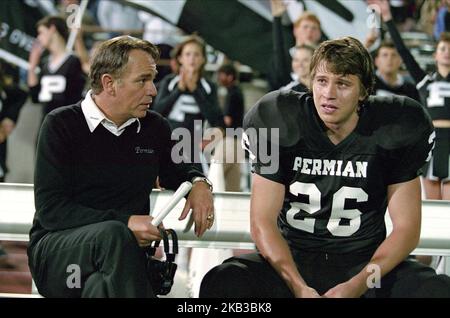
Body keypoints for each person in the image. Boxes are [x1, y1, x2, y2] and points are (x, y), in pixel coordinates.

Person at [200, 36, 450, 298]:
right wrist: (298, 287)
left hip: (365, 267)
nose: (329, 93)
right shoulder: (279, 118)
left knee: (435, 291)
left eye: (342, 83)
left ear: (364, 91)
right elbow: (262, 221)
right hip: (292, 261)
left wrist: (358, 285)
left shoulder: (395, 127)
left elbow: (407, 229)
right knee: (224, 283)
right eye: (322, 81)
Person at [27, 35, 215, 298]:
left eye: (152, 78)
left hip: (121, 260)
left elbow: (181, 169)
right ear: (109, 83)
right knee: (114, 235)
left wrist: (199, 183)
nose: (153, 90)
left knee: (100, 289)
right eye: (143, 80)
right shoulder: (61, 124)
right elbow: (52, 211)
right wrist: (125, 222)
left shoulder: (154, 127)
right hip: (59, 256)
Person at [370, 0, 450, 270]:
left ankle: (444, 267)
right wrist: (388, 19)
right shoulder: (425, 81)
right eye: (442, 49)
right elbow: (403, 51)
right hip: (433, 145)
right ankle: (428, 268)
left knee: (448, 212)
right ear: (436, 54)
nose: (447, 53)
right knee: (430, 210)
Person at [153, 35, 224, 172]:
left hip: (195, 147)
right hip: (168, 143)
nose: (192, 59)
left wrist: (195, 91)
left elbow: (216, 120)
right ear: (180, 58)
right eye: (188, 54)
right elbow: (157, 111)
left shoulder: (209, 86)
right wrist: (178, 90)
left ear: (203, 59)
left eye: (196, 54)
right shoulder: (169, 82)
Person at [28, 16, 85, 121]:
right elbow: (35, 97)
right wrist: (32, 67)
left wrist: (78, 39)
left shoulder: (74, 61)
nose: (38, 38)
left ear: (52, 29)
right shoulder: (45, 63)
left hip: (67, 123)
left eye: (41, 32)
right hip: (46, 122)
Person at [269, 0, 322, 90]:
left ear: (319, 33)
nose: (309, 31)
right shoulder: (283, 58)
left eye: (314, 28)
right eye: (305, 27)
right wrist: (277, 18)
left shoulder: (324, 60)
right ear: (295, 30)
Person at [216, 63, 245, 192]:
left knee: (215, 176)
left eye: (221, 75)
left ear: (230, 76)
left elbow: (227, 120)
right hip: (238, 141)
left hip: (229, 140)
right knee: (233, 186)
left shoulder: (232, 93)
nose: (219, 78)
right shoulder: (238, 91)